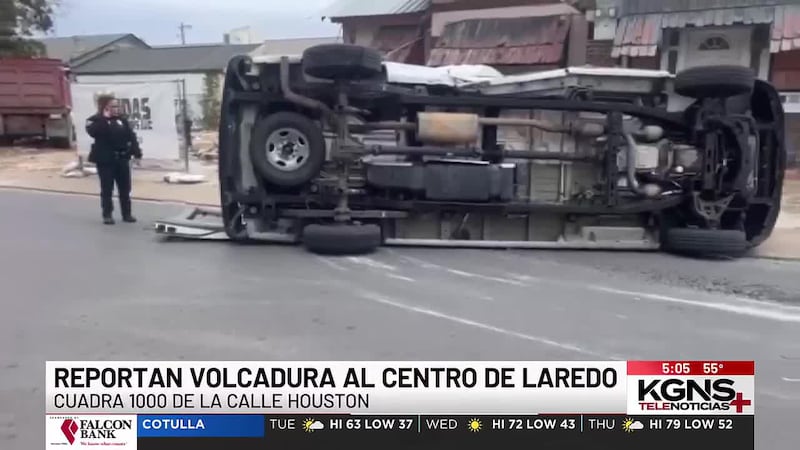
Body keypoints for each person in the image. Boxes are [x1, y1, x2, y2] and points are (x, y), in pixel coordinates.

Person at [85, 95, 143, 225]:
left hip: (122, 158)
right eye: (113, 106)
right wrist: (104, 119)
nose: (117, 109)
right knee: (107, 188)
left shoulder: (122, 120)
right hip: (106, 160)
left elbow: (131, 137)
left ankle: (126, 214)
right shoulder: (95, 121)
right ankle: (107, 214)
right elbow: (94, 132)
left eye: (118, 106)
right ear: (105, 107)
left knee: (125, 188)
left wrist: (137, 153)